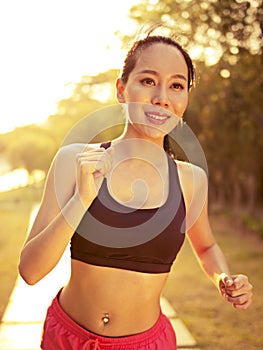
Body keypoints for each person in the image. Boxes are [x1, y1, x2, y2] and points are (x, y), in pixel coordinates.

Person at [18, 31, 253, 350]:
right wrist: (83, 199)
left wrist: (223, 278)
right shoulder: (75, 160)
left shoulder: (191, 180)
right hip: (67, 338)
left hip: (146, 344)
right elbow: (31, 271)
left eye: (176, 85)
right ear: (121, 89)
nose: (162, 97)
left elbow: (207, 247)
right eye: (148, 81)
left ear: (184, 99)